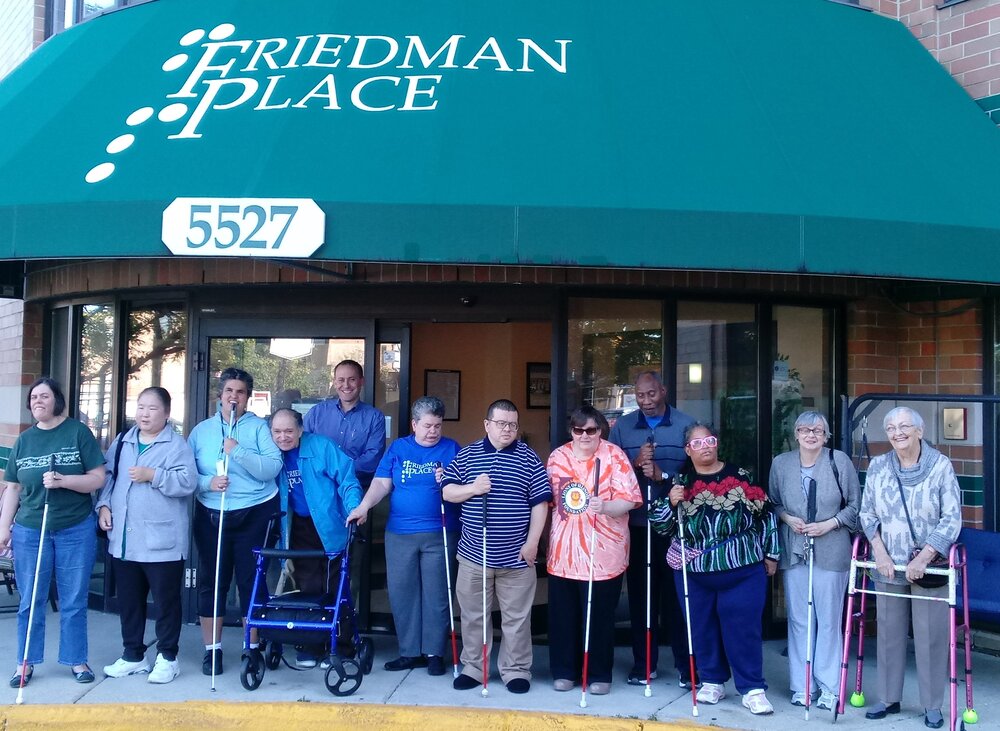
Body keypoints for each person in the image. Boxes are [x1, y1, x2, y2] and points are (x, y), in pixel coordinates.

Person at [649, 423, 780, 715]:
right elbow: (661, 526)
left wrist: (772, 554)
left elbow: (766, 514)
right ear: (688, 450)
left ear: (717, 443)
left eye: (709, 440)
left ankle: (752, 688)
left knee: (742, 629)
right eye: (697, 443)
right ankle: (711, 681)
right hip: (694, 572)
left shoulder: (740, 477)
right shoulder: (680, 483)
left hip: (742, 568)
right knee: (701, 628)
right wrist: (670, 503)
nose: (705, 446)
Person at [858, 407, 961, 729]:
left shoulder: (940, 466)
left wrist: (924, 557)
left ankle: (932, 705)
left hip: (928, 568)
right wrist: (880, 552)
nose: (897, 432)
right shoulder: (878, 466)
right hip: (887, 565)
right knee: (888, 632)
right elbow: (867, 513)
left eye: (904, 426)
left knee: (931, 637)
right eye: (890, 427)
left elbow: (952, 518)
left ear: (919, 430)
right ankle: (889, 698)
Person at [0, 377, 106, 686]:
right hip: (31, 529)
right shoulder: (24, 440)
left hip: (75, 527)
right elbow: (14, 487)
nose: (37, 402)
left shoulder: (77, 432)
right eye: (33, 398)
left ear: (57, 400)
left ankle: (76, 660)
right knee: (31, 599)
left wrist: (63, 481)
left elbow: (97, 478)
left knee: (73, 597)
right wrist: (4, 527)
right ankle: (25, 663)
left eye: (44, 397)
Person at [442, 399, 551, 694]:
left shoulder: (529, 458)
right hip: (474, 556)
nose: (507, 429)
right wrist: (474, 489)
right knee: (474, 616)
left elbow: (541, 504)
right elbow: (448, 492)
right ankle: (475, 668)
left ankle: (516, 670)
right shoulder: (467, 456)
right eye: (501, 423)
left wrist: (532, 544)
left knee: (517, 619)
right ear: (487, 424)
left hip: (517, 558)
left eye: (513, 424)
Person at [346, 396, 461, 676]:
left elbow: (465, 486)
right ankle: (409, 652)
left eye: (437, 425)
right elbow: (382, 483)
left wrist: (449, 479)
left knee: (436, 595)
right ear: (414, 424)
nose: (433, 431)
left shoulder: (452, 449)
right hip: (400, 533)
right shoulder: (399, 448)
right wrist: (363, 506)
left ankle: (434, 652)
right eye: (427, 425)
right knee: (402, 593)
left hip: (440, 532)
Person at [97, 387, 198, 684]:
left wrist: (153, 476)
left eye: (152, 408)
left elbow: (188, 482)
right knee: (130, 601)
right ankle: (133, 655)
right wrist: (103, 505)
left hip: (162, 542)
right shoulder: (124, 440)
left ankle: (168, 657)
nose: (144, 413)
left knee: (166, 603)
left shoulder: (176, 445)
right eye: (140, 407)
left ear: (166, 413)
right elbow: (109, 475)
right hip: (124, 540)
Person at [188, 367, 282, 676]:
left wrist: (237, 451)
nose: (234, 397)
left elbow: (271, 468)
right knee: (212, 582)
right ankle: (211, 650)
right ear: (220, 394)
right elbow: (186, 474)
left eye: (240, 392)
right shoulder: (201, 431)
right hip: (211, 514)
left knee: (250, 581)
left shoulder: (259, 428)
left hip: (253, 512)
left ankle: (251, 647)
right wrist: (208, 482)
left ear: (248, 397)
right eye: (229, 391)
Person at [607, 371, 695, 687]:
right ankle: (645, 666)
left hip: (675, 527)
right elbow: (611, 476)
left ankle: (687, 667)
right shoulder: (624, 428)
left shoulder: (686, 424)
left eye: (651, 394)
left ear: (663, 390)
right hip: (637, 526)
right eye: (641, 396)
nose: (646, 401)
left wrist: (662, 475)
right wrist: (633, 465)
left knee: (677, 599)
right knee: (643, 599)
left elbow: (698, 476)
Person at [546, 405, 642, 695]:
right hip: (564, 550)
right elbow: (547, 499)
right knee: (564, 616)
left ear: (601, 430)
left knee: (600, 616)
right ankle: (565, 671)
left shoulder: (614, 456)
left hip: (603, 552)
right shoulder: (557, 458)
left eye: (592, 430)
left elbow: (630, 499)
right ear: (571, 431)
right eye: (579, 430)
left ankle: (599, 673)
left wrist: (608, 506)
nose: (585, 435)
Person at [768, 411, 860, 711]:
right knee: (799, 619)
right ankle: (802, 685)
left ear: (826, 435)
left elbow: (856, 508)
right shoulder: (780, 463)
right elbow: (773, 502)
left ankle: (830, 686)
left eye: (818, 430)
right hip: (795, 548)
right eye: (805, 429)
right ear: (795, 433)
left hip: (832, 550)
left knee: (829, 621)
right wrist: (786, 518)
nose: (811, 435)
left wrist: (829, 524)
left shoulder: (839, 461)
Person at [270, 408, 362, 668]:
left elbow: (348, 480)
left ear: (300, 429)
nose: (283, 437)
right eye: (277, 431)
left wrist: (355, 508)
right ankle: (310, 644)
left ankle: (341, 647)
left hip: (331, 524)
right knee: (308, 587)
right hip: (297, 526)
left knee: (336, 587)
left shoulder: (322, 446)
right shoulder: (272, 453)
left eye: (289, 431)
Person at [303, 359, 386, 488]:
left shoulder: (375, 417)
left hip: (357, 488)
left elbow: (372, 458)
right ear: (335, 382)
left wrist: (338, 470)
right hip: (319, 489)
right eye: (341, 380)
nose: (346, 385)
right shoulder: (317, 412)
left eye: (352, 379)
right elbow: (303, 446)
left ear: (361, 381)